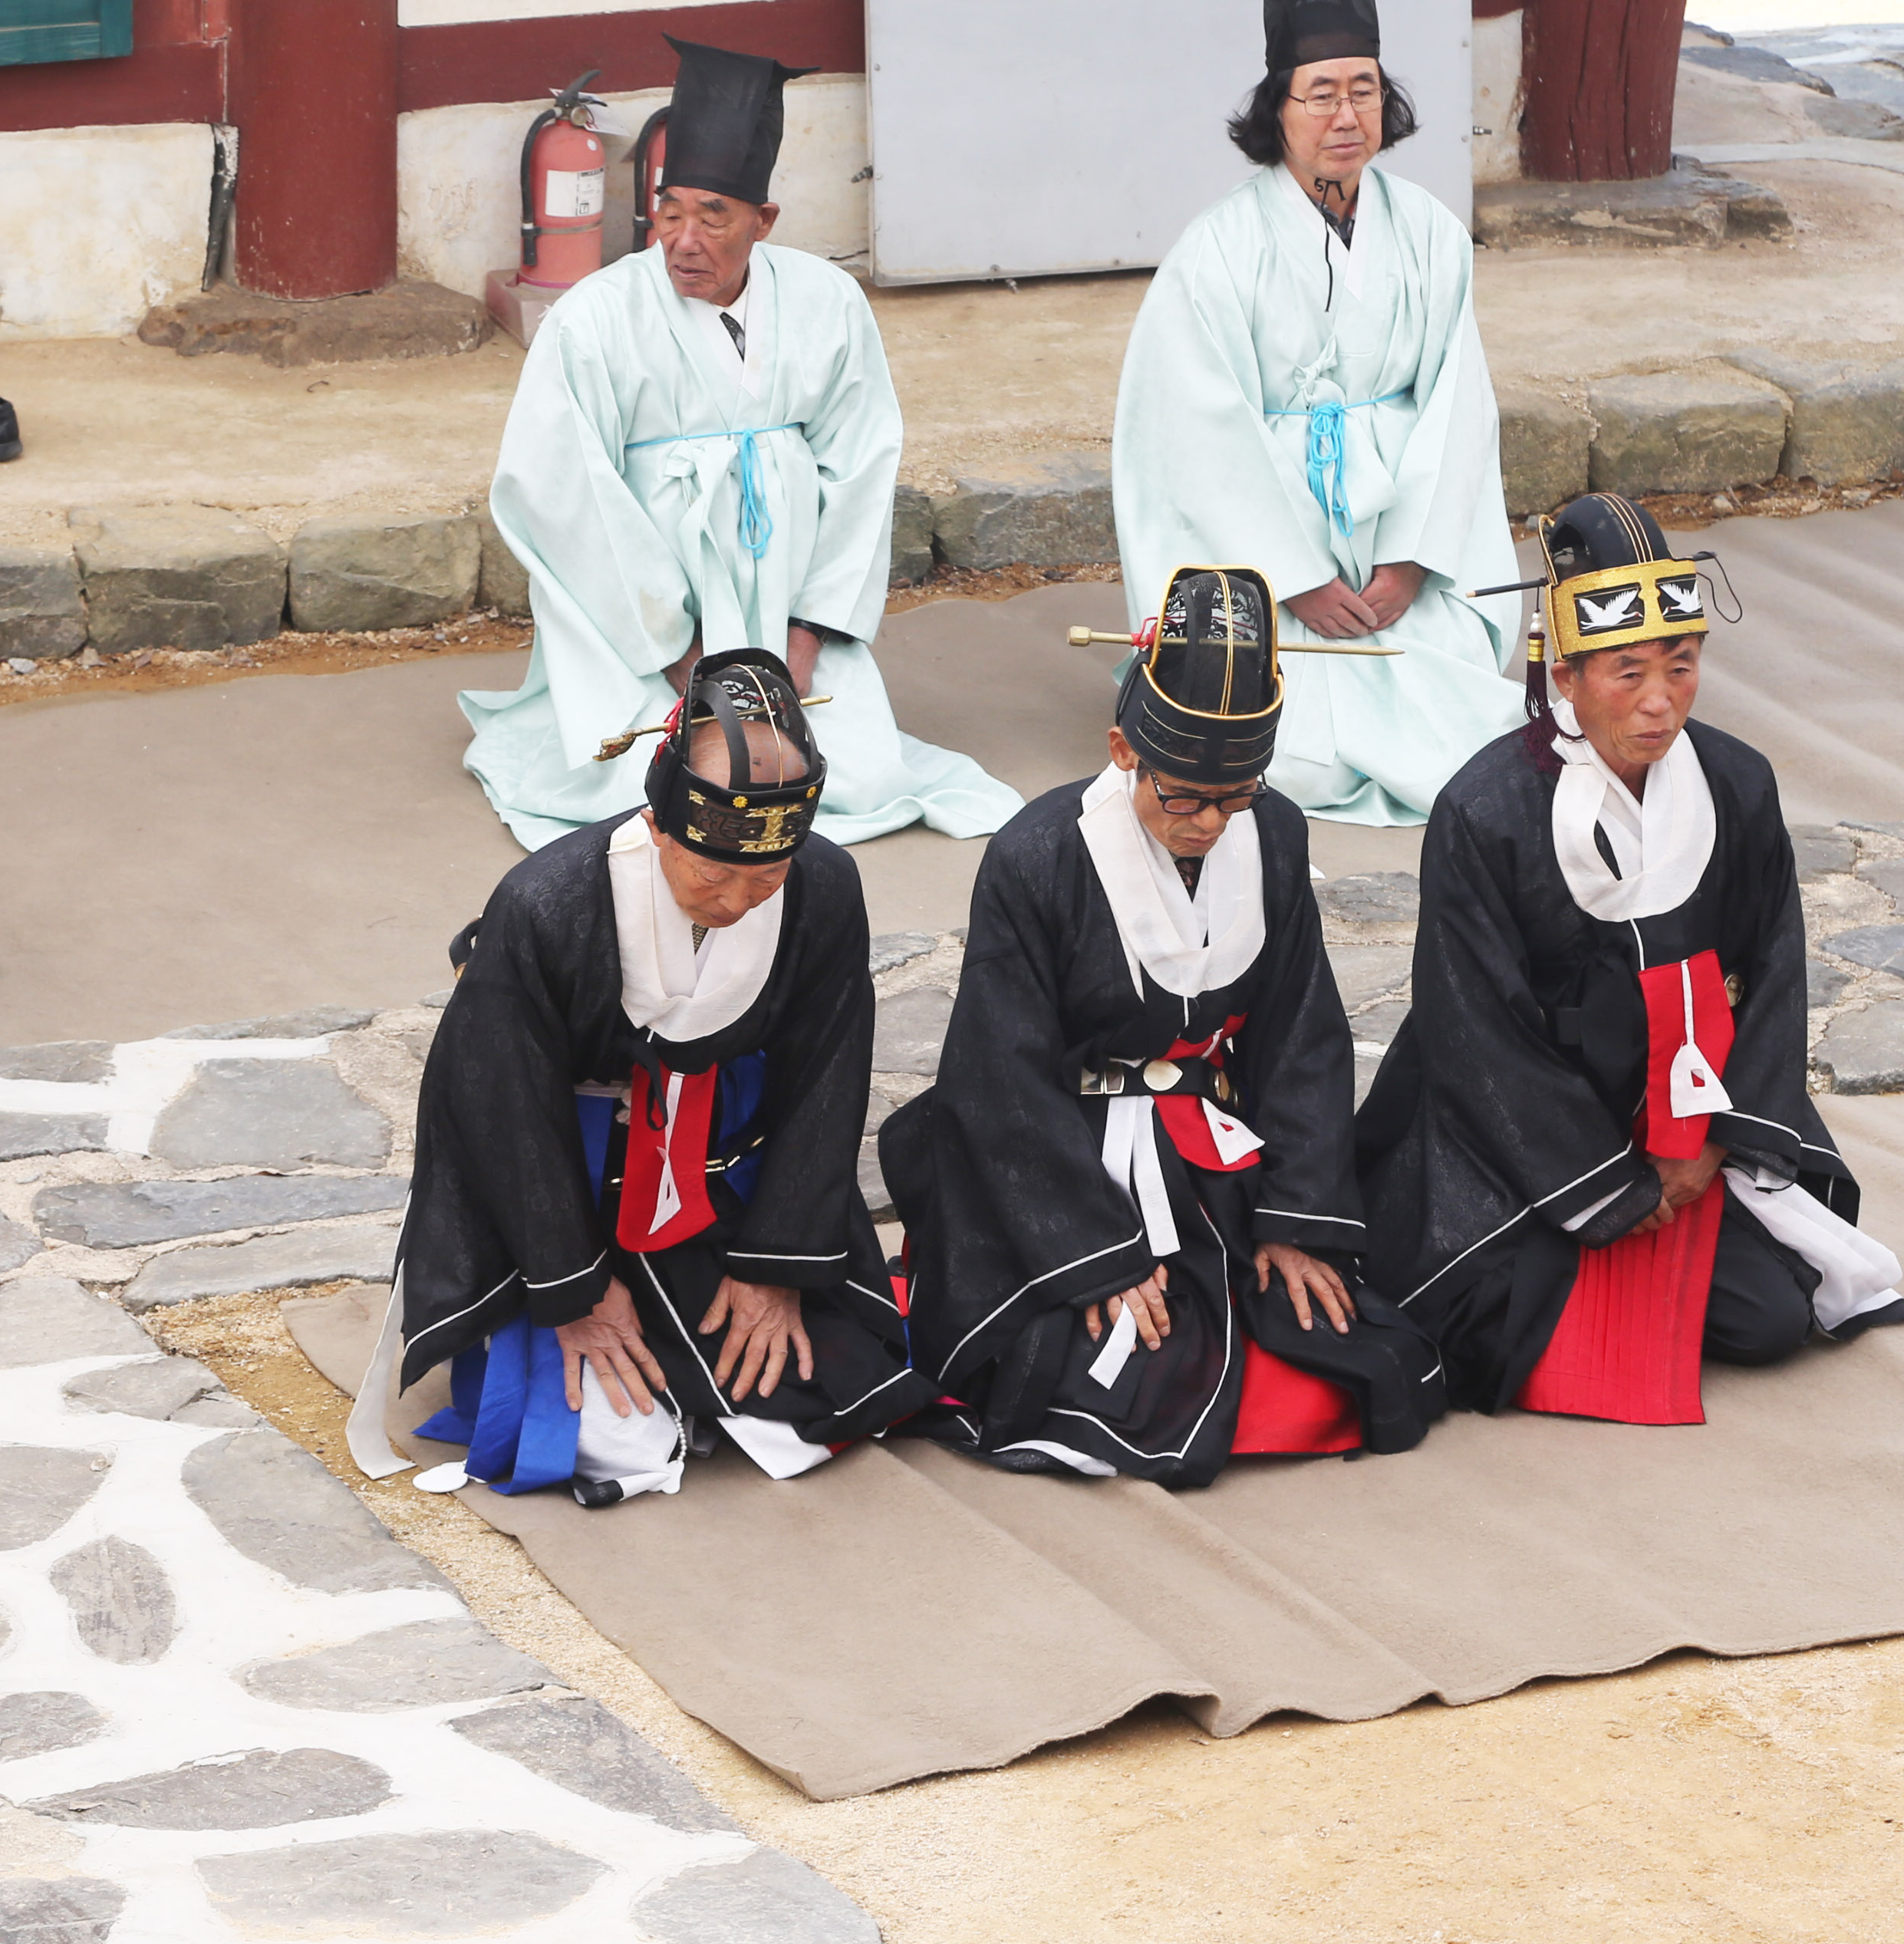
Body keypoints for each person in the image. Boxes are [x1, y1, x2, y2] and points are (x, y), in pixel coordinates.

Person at [876, 569, 1441, 1486]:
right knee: (1113, 1374)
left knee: (1348, 1349)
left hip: (1210, 1148)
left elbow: (1302, 1030)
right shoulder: (1037, 855)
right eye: (1184, 795)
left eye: (1237, 795)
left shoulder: (1276, 834)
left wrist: (1297, 1220)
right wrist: (1092, 1257)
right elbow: (1001, 1077)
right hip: (1064, 1158)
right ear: (1121, 748)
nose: (1211, 823)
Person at [1359, 496, 1904, 1418]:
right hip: (1514, 1141)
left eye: (1680, 667)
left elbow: (1773, 974)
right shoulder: (1483, 812)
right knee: (1480, 1319)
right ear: (1563, 676)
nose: (1660, 702)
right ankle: (1576, 1234)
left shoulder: (1736, 782)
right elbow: (1473, 1028)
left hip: (1686, 1127)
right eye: (1627, 673)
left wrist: (1709, 1149)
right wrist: (1606, 1184)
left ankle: (1637, 1234)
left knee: (1772, 1320)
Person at [353, 650, 932, 1504]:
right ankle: (594, 1338)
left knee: (826, 1393)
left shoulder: (823, 887)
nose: (737, 900)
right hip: (569, 1188)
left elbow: (826, 1074)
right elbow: (499, 1110)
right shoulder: (548, 903)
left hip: (719, 1178)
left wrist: (775, 1263)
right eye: (711, 872)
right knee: (610, 1440)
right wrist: (576, 1290)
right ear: (660, 826)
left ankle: (713, 1352)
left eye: (766, 876)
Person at [460, 37, 1020, 852]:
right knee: (647, 784)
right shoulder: (595, 317)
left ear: (764, 220)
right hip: (643, 630)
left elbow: (861, 462)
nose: (683, 238)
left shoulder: (827, 301)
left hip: (781, 601)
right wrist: (678, 651)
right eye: (670, 210)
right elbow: (559, 490)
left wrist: (804, 635)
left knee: (855, 778)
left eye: (713, 215)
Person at [1109, 0, 1522, 826]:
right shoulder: (1216, 250)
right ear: (1278, 110)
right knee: (1275, 733)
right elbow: (1196, 429)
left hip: (1395, 536)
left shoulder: (1428, 235)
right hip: (1265, 548)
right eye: (1322, 92)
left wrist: (1411, 561)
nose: (1347, 116)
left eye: (1365, 90)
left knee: (1452, 700)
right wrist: (1291, 573)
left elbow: (1457, 403)